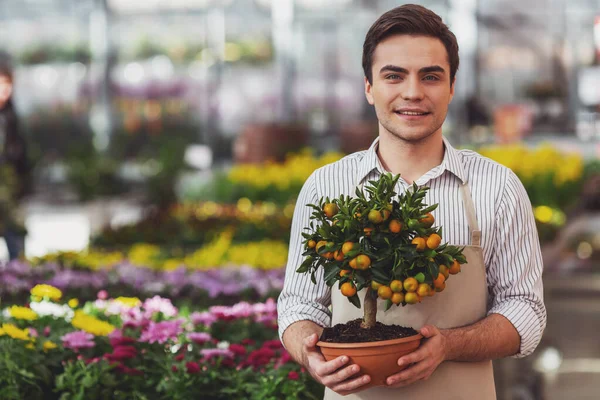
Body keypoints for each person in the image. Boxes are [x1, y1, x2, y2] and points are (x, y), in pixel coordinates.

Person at [277, 4, 545, 400]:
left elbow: (526, 310)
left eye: (431, 76)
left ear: (452, 86)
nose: (413, 92)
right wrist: (309, 350)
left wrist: (449, 345)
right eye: (393, 76)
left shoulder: (496, 187)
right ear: (369, 88)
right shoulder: (326, 188)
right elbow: (299, 304)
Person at [0, 58, 29, 260]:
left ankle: (16, 277)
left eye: (7, 85)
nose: (4, 90)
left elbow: (20, 153)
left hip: (9, 186)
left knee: (15, 233)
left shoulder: (10, 116)